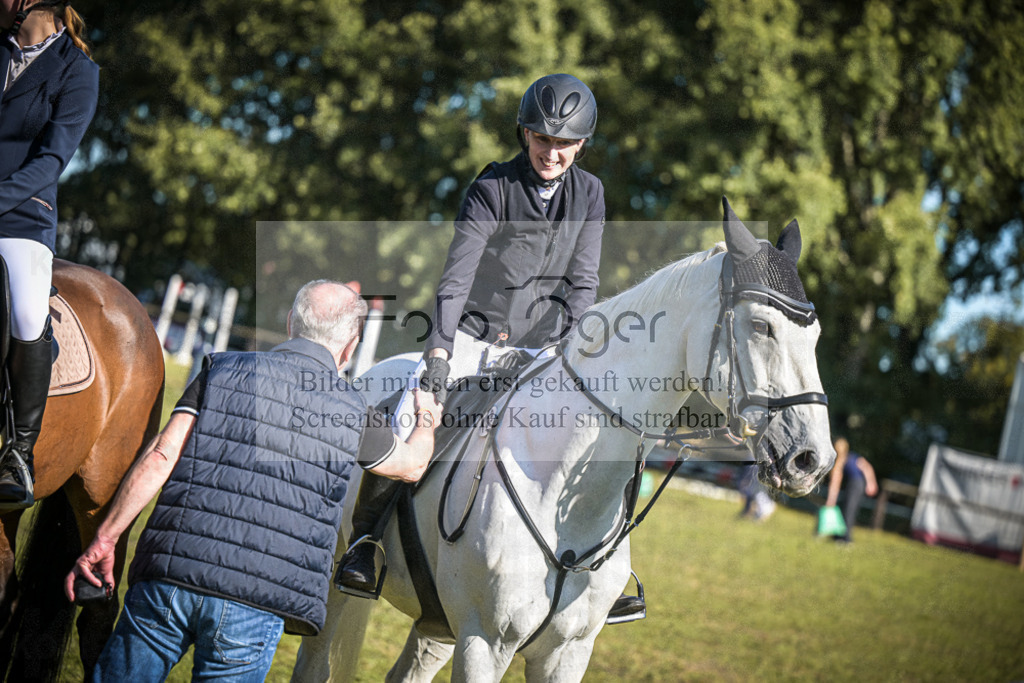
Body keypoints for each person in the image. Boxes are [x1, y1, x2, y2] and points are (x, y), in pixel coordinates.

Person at [336, 73, 643, 623]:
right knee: (410, 415)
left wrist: (567, 350)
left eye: (564, 143)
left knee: (606, 427)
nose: (552, 153)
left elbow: (583, 285)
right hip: (477, 338)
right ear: (525, 135)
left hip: (546, 349)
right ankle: (366, 541)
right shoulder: (492, 189)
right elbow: (455, 281)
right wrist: (437, 357)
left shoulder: (590, 194)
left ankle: (609, 566)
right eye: (543, 140)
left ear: (581, 145)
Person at [64, 281, 443, 681]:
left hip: (169, 575)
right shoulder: (354, 410)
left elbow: (161, 455)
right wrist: (428, 414)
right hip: (256, 604)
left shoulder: (220, 367)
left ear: (291, 323)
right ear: (351, 346)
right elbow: (412, 465)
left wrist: (105, 539)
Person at [0, 0, 99, 509]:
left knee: (26, 310)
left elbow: (52, 160)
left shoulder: (78, 72)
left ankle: (17, 452)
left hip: (21, 216)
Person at [824, 437, 878, 543]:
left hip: (856, 485)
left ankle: (846, 539)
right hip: (854, 485)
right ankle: (837, 535)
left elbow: (867, 467)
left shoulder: (850, 458)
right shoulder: (846, 459)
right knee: (844, 508)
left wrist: (871, 483)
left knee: (849, 510)